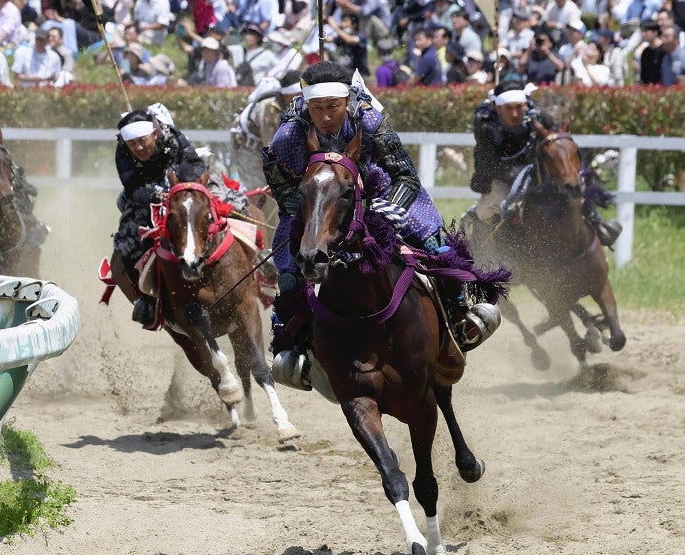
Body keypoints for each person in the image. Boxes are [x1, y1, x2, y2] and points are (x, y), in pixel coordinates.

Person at [262, 62, 500, 389]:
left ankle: (459, 318)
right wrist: (311, 208)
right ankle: (292, 346)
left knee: (433, 244)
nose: (326, 116)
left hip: (381, 191)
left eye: (333, 107)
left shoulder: (371, 120)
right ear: (308, 106)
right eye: (317, 108)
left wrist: (388, 207)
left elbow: (404, 174)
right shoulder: (289, 133)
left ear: (347, 102)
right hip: (317, 203)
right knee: (290, 268)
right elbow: (280, 185)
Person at [467, 80, 621, 248]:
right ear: (498, 108)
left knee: (575, 188)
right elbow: (487, 161)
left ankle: (596, 222)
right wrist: (516, 176)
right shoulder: (485, 124)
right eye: (509, 108)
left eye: (519, 107)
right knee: (484, 213)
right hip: (499, 177)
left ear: (525, 104)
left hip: (538, 173)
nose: (515, 114)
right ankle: (481, 250)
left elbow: (557, 140)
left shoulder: (538, 116)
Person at [111, 105, 205, 327]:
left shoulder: (172, 136)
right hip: (145, 197)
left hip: (181, 186)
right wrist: (156, 196)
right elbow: (132, 187)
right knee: (126, 244)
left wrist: (183, 189)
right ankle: (146, 298)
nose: (139, 148)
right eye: (132, 144)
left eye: (143, 141)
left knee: (226, 204)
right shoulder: (122, 150)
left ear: (154, 134)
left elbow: (195, 163)